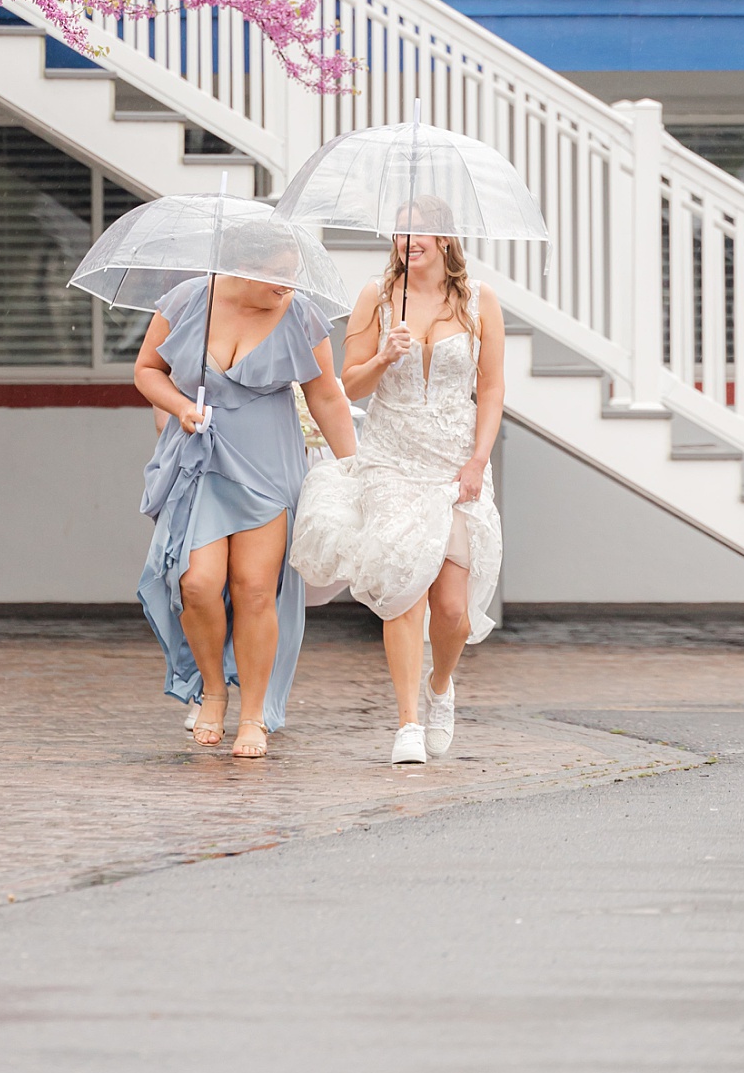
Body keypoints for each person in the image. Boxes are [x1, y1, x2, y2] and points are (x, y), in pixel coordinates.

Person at [291, 220, 504, 765]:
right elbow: (347, 384)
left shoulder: (480, 302)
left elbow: (491, 387)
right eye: (401, 233)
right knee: (401, 588)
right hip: (390, 461)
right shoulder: (377, 297)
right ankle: (407, 721)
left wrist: (478, 460)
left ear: (446, 241)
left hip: (454, 464)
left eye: (421, 233)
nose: (409, 243)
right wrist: (383, 356)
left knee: (451, 610)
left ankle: (439, 686)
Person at [135, 269, 356, 760]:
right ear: (240, 267)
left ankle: (252, 714)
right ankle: (213, 689)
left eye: (292, 276)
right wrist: (178, 406)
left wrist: (354, 471)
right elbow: (147, 369)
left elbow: (325, 396)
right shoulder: (188, 300)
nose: (287, 288)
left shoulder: (299, 316)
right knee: (195, 583)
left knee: (255, 589)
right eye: (276, 277)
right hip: (200, 458)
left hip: (268, 465)